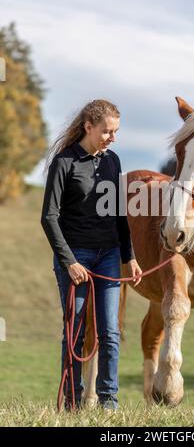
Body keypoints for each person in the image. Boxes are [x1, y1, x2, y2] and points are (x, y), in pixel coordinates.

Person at [41, 99, 142, 410]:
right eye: (107, 131)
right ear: (88, 126)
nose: (112, 137)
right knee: (74, 332)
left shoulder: (113, 161)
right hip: (76, 258)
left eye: (116, 131)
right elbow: (49, 217)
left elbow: (119, 214)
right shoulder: (64, 162)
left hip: (109, 254)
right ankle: (72, 401)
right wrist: (69, 261)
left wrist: (131, 256)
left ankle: (108, 401)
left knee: (110, 332)